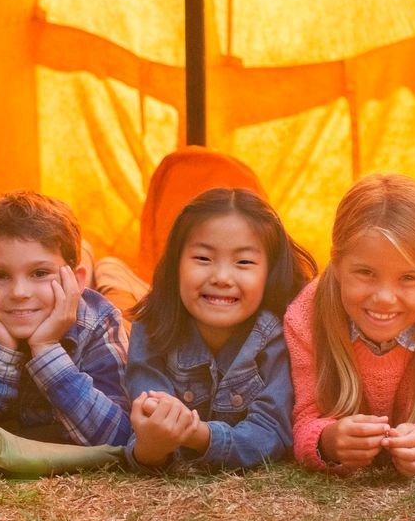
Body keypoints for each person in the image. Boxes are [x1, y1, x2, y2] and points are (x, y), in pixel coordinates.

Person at [285, 173, 415, 476]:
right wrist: (327, 441)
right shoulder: (306, 315)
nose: (383, 298)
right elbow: (306, 417)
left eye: (408, 278)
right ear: (337, 264)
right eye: (366, 272)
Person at [0, 191, 131, 446]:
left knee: (123, 295)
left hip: (96, 298)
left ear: (75, 280)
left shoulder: (100, 320)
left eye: (39, 273)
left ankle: (109, 268)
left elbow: (119, 435)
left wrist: (47, 350)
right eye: (0, 274)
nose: (19, 293)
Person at [124, 188, 315, 470]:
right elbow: (145, 424)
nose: (222, 277)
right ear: (176, 264)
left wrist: (199, 435)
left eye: (244, 262)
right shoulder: (152, 327)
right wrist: (151, 446)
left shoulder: (280, 335)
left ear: (269, 272)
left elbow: (272, 433)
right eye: (203, 258)